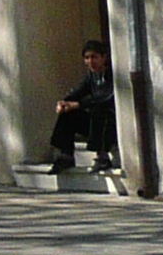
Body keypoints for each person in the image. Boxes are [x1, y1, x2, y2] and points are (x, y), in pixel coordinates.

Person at [47, 40, 120, 173]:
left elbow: (106, 99)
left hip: (112, 125)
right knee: (69, 114)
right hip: (95, 125)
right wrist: (64, 103)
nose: (90, 61)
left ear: (104, 57)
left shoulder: (111, 75)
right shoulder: (91, 77)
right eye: (87, 58)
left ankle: (103, 157)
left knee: (100, 111)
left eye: (94, 57)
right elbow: (78, 92)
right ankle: (66, 155)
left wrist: (78, 104)